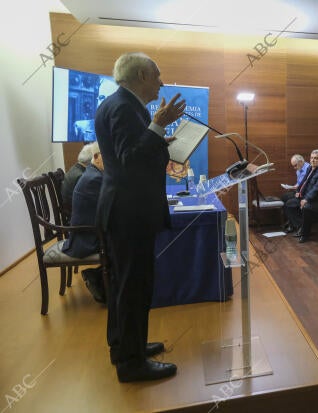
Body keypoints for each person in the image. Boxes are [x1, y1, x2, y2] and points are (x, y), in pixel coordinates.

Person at [95, 52, 186, 383]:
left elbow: (130, 152)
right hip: (128, 212)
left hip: (124, 210)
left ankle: (123, 347)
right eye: (158, 75)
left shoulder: (123, 105)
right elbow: (131, 160)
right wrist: (159, 125)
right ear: (142, 75)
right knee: (135, 284)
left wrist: (160, 136)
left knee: (124, 283)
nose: (162, 83)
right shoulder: (123, 108)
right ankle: (132, 365)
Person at [61, 142, 106, 303]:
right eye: (106, 156)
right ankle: (99, 279)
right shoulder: (94, 179)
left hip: (86, 233)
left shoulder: (92, 174)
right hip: (86, 239)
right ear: (96, 157)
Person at [284, 149, 318, 243]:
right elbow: (304, 182)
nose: (312, 160)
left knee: (306, 207)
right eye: (311, 158)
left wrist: (306, 199)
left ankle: (305, 234)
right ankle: (301, 226)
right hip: (309, 198)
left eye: (316, 158)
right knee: (289, 204)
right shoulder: (311, 168)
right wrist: (299, 191)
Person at [61, 143, 94, 217]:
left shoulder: (74, 168)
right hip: (77, 215)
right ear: (92, 160)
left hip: (71, 211)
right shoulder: (82, 176)